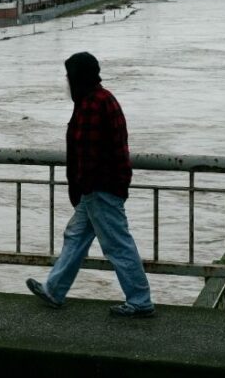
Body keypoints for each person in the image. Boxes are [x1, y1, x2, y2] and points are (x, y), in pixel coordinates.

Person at [26, 51, 155, 318]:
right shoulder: (104, 98)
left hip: (99, 187)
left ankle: (140, 300)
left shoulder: (90, 105)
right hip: (102, 185)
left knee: (117, 244)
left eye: (68, 76)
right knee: (75, 236)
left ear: (77, 77)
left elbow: (86, 152)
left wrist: (78, 186)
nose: (66, 82)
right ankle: (54, 288)